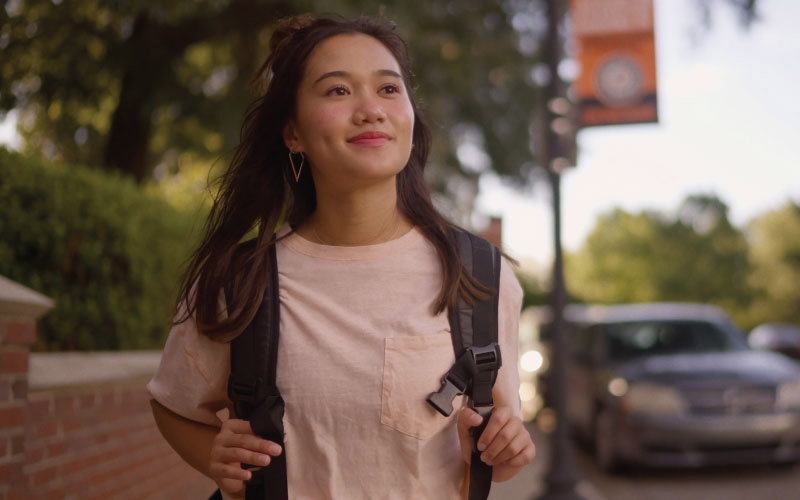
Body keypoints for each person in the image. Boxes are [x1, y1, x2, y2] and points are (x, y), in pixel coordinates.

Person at [147, 13, 534, 500]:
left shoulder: (480, 276)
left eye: (389, 89)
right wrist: (215, 457)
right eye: (337, 91)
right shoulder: (241, 280)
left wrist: (507, 452)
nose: (371, 109)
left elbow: (497, 445)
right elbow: (173, 405)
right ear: (293, 134)